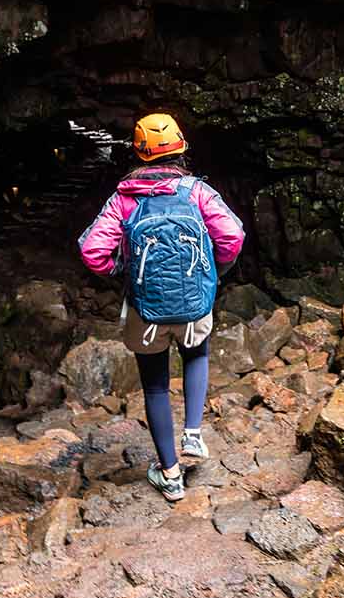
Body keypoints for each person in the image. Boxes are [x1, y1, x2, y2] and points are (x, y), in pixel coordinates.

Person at [77, 112, 245, 501]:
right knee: (196, 354)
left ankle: (170, 476)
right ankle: (193, 435)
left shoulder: (123, 200)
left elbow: (92, 251)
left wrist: (123, 269)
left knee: (154, 385)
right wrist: (212, 271)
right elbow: (233, 237)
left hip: (145, 310)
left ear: (137, 154)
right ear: (181, 150)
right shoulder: (197, 193)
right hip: (193, 302)